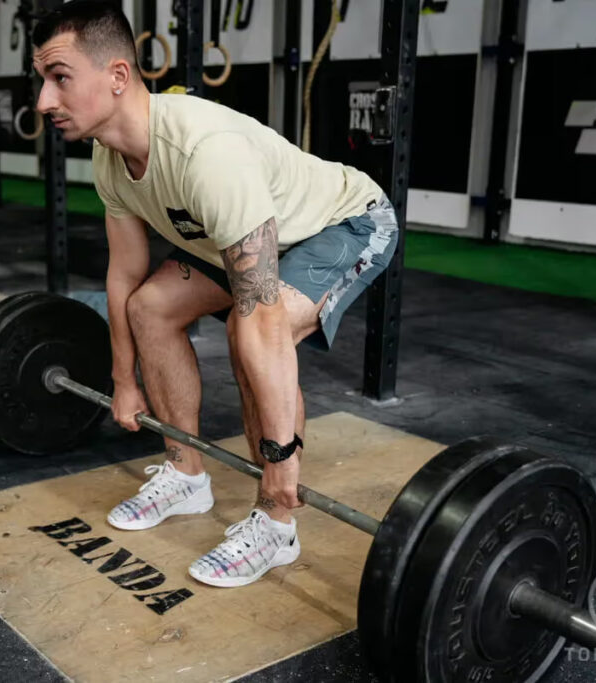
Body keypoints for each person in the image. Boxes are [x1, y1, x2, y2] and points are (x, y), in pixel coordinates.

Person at [32, 1, 398, 588]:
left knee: (247, 332)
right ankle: (186, 476)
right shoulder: (109, 157)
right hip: (236, 239)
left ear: (118, 77)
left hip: (339, 223)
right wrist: (123, 381)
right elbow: (124, 275)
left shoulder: (205, 153)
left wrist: (280, 457)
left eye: (60, 78)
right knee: (149, 307)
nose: (44, 101)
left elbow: (263, 318)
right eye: (43, 80)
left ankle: (277, 523)